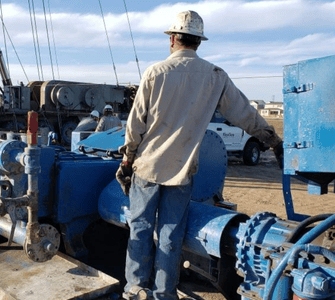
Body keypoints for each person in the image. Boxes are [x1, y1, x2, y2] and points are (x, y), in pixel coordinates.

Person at [116, 10, 283, 300]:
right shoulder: (216, 76)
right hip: (182, 170)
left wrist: (128, 158)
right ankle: (165, 293)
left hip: (147, 167)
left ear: (172, 39)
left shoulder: (155, 73)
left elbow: (136, 125)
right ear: (198, 42)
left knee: (141, 227)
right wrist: (272, 140)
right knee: (171, 234)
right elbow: (244, 113)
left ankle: (135, 288)